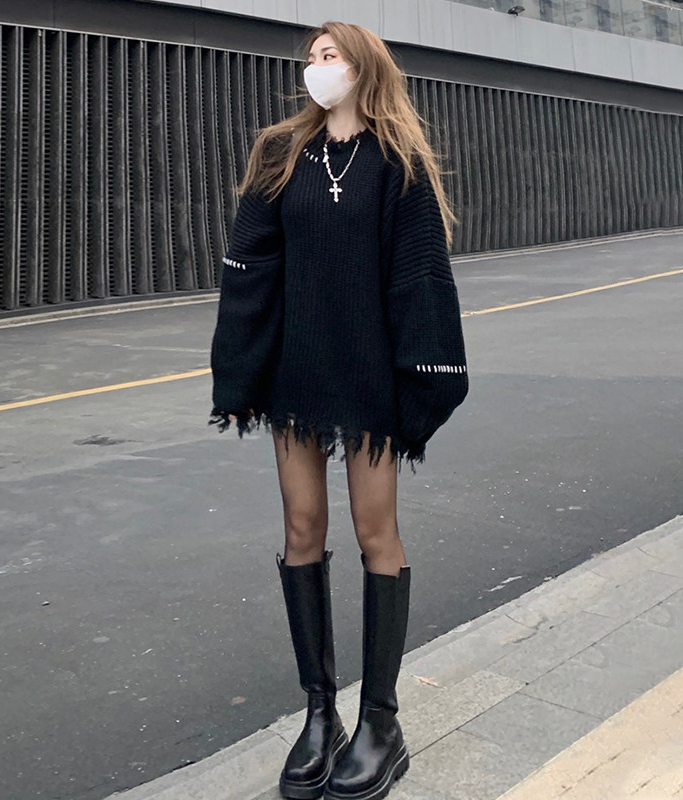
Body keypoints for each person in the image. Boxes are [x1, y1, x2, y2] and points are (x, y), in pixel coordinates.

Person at [208, 20, 469, 800]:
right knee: (301, 528)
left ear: (362, 67)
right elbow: (250, 265)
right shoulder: (282, 154)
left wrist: (421, 377)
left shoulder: (398, 163)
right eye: (311, 56)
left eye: (330, 55)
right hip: (297, 371)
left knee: (375, 530)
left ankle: (381, 723)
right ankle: (320, 714)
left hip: (368, 376)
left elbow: (421, 276)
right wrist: (240, 368)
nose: (315, 66)